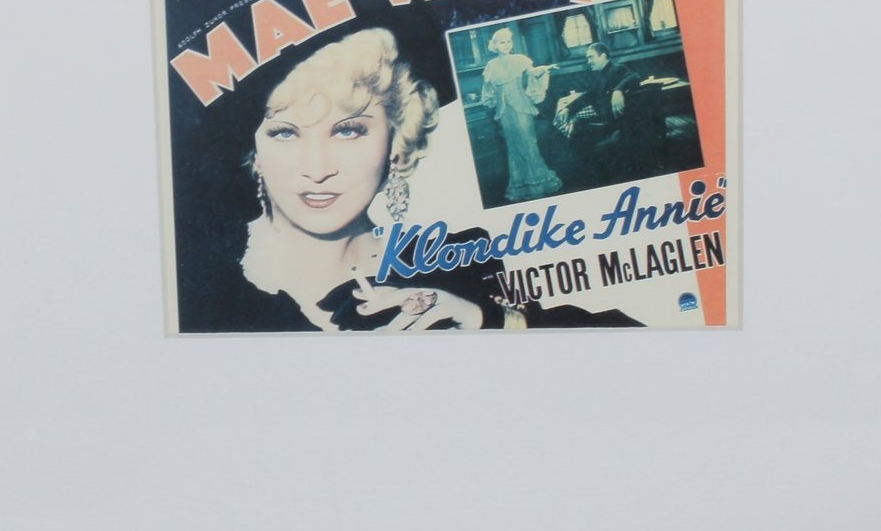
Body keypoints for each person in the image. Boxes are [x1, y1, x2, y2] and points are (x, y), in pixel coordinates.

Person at [182, 27, 518, 333]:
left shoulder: (459, 262)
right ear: (254, 152)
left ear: (396, 141)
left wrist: (489, 321)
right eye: (285, 133)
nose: (317, 171)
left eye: (347, 131)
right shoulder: (198, 276)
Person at [477, 25, 560, 203]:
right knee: (514, 146)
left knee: (528, 143)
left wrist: (543, 69)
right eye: (502, 42)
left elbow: (532, 73)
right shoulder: (491, 66)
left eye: (508, 41)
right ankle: (520, 185)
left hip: (521, 107)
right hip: (504, 112)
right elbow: (488, 90)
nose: (506, 44)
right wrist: (491, 101)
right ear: (495, 45)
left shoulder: (520, 59)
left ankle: (539, 182)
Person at [552, 39, 632, 183]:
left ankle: (601, 176)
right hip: (606, 121)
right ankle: (597, 173)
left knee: (578, 138)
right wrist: (567, 109)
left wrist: (618, 90)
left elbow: (633, 77)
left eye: (591, 57)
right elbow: (588, 96)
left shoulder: (616, 69)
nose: (588, 61)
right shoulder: (601, 75)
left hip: (617, 124)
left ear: (603, 56)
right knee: (576, 130)